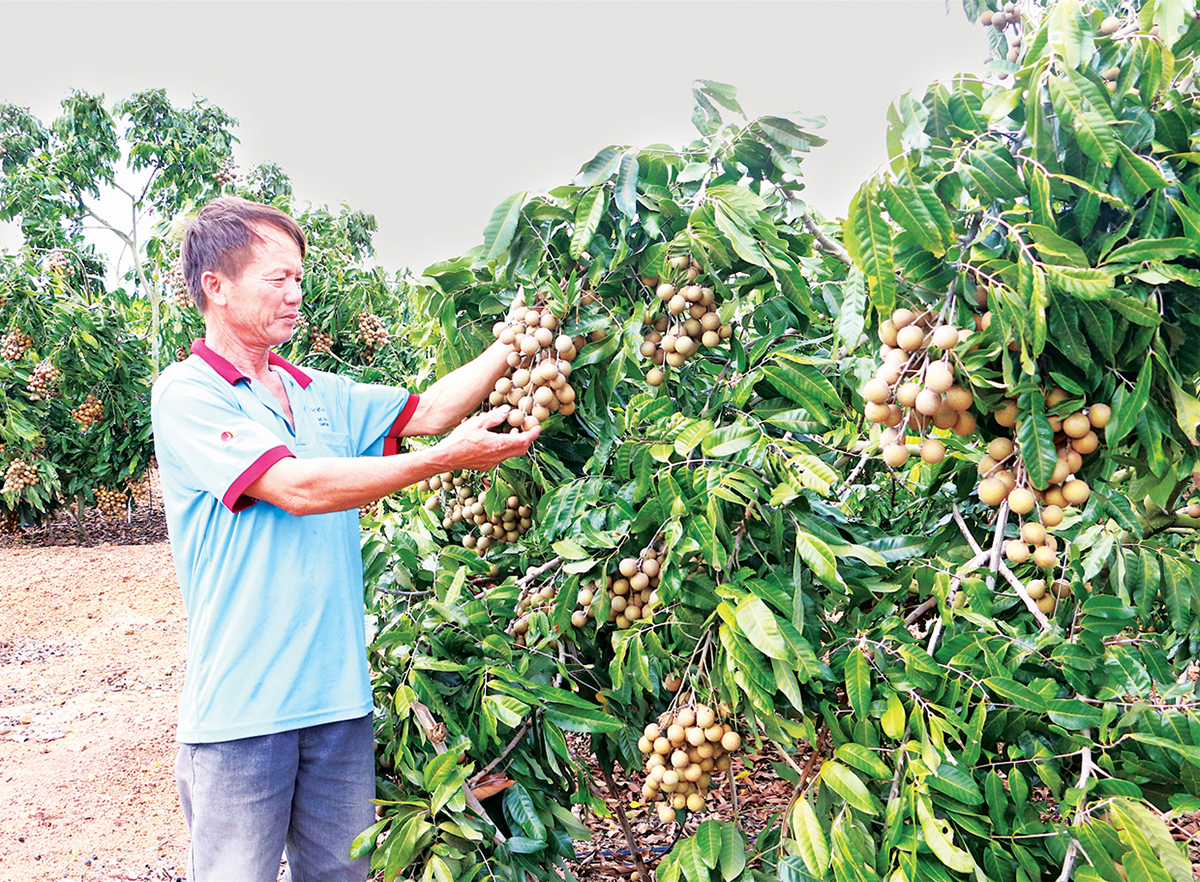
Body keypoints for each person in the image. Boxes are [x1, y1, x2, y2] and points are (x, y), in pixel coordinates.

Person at [151, 195, 538, 881]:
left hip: (338, 704)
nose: (297, 294)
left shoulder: (317, 390)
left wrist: (523, 334)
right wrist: (442, 460)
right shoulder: (188, 393)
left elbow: (433, 410)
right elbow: (297, 489)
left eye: (300, 277)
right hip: (243, 711)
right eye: (278, 278)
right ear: (216, 286)